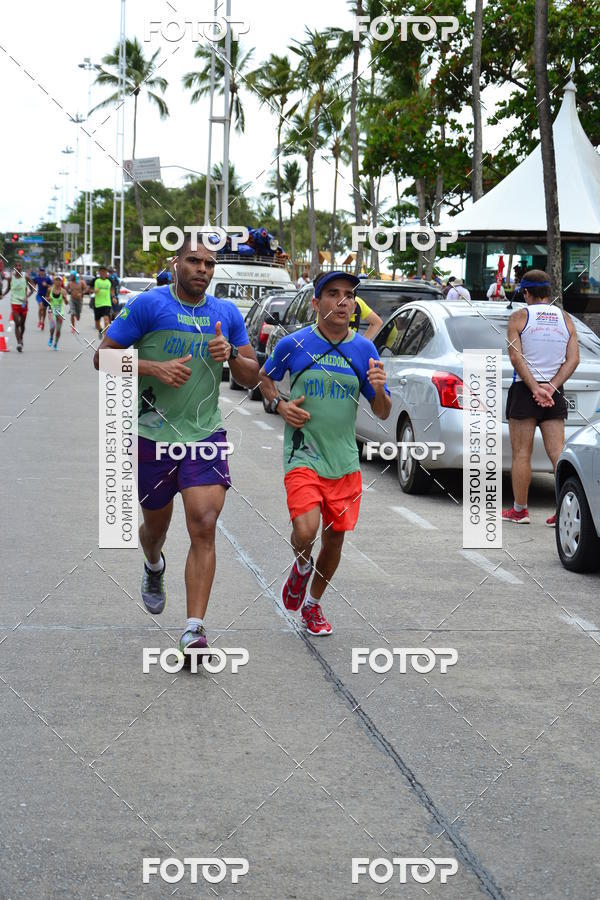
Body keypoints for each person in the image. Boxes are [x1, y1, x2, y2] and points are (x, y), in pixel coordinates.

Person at [94, 238, 259, 657]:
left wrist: (232, 359)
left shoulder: (225, 314)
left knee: (204, 522)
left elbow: (251, 373)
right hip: (152, 435)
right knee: (156, 528)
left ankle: (194, 628)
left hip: (205, 435)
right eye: (194, 260)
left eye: (209, 262)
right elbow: (103, 359)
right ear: (176, 263)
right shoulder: (149, 306)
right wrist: (152, 367)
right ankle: (153, 564)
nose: (202, 268)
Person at [259, 270, 391, 636]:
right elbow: (263, 377)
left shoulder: (364, 350)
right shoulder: (294, 344)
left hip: (345, 461)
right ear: (317, 303)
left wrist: (379, 390)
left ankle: (313, 604)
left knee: (334, 538)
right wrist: (279, 405)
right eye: (333, 294)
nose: (343, 301)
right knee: (306, 528)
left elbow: (382, 411)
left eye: (349, 295)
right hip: (303, 454)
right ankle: (301, 566)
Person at [502, 270, 579, 527]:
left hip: (525, 389)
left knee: (522, 453)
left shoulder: (519, 317)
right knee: (558, 453)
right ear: (549, 292)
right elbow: (573, 359)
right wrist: (552, 387)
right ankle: (565, 511)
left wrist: (535, 388)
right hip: (554, 393)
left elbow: (516, 357)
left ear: (526, 293)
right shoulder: (566, 319)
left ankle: (520, 510)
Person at [4, 261, 32, 351]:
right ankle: (19, 343)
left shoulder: (26, 277)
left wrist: (26, 297)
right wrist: (3, 294)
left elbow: (33, 288)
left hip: (23, 303)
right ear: (14, 268)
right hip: (14, 302)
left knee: (22, 324)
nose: (18, 267)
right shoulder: (10, 278)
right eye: (16, 266)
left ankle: (21, 337)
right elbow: (8, 288)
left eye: (20, 266)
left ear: (21, 268)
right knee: (17, 323)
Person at [47, 276, 68, 350]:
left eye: (59, 280)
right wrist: (48, 299)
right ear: (54, 281)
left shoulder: (63, 291)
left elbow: (66, 303)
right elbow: (46, 298)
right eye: (56, 280)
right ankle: (51, 337)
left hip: (60, 311)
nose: (58, 282)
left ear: (61, 282)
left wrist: (65, 298)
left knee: (58, 330)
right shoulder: (50, 289)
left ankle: (55, 344)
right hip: (51, 310)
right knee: (53, 326)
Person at [93, 266, 113, 335]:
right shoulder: (97, 281)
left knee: (106, 320)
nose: (103, 273)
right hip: (98, 304)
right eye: (101, 272)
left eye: (104, 272)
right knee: (97, 325)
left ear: (106, 273)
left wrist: (113, 297)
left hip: (107, 303)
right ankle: (100, 330)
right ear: (99, 273)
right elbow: (93, 290)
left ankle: (105, 338)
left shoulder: (109, 281)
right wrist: (95, 290)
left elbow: (112, 290)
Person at [32, 266, 52, 330]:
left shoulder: (48, 279)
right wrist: (34, 287)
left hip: (46, 296)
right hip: (39, 295)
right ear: (39, 272)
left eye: (43, 271)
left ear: (44, 272)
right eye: (41, 271)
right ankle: (40, 321)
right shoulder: (37, 278)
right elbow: (33, 283)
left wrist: (46, 285)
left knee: (44, 310)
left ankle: (43, 322)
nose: (42, 272)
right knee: (40, 308)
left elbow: (52, 286)